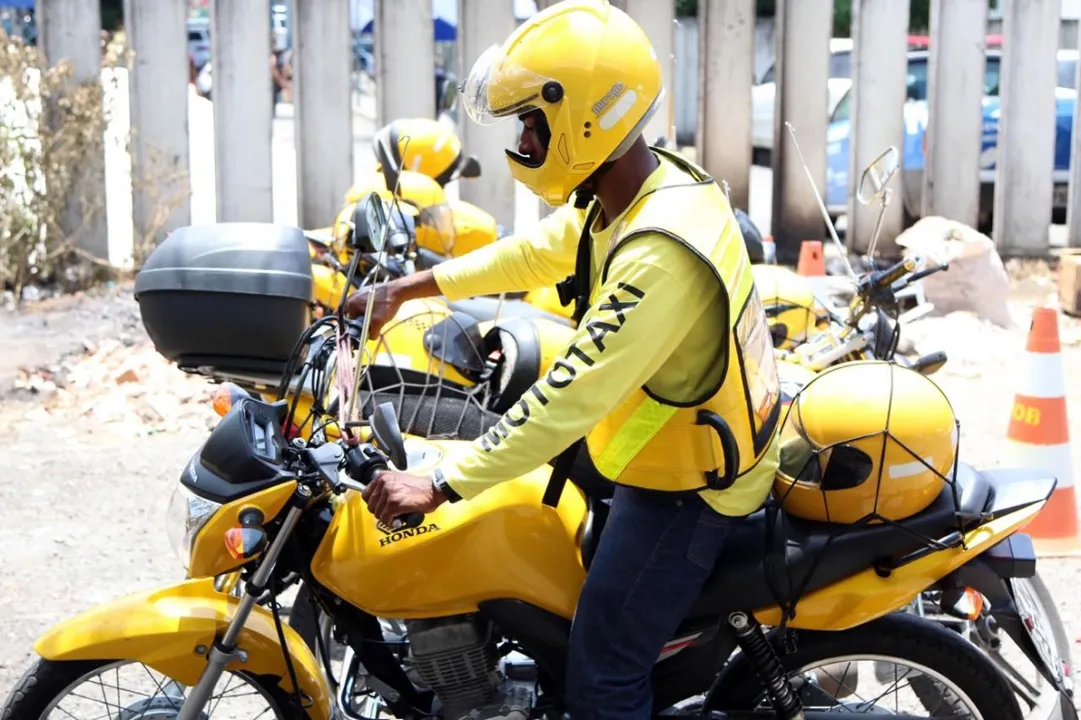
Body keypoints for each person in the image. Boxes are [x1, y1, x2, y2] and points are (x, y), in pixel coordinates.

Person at [345, 1, 782, 717]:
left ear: (582, 120)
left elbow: (566, 397)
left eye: (529, 123)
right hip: (660, 449)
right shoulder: (635, 189)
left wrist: (441, 483)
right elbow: (538, 250)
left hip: (688, 488)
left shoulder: (657, 254)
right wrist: (409, 287)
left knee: (602, 670)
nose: (522, 140)